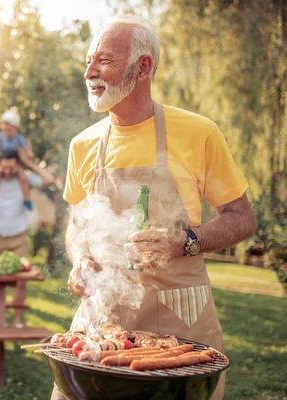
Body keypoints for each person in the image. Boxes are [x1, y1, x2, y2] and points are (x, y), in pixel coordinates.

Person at [54, 16, 257, 400]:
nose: (90, 72)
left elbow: (242, 218)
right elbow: (76, 223)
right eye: (88, 61)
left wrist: (185, 242)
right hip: (101, 323)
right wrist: (80, 259)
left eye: (104, 61)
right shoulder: (82, 145)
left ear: (142, 67)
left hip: (181, 322)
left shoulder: (199, 133)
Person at [0, 147, 55, 327]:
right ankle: (0, 319)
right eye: (4, 168)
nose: (7, 172)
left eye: (11, 168)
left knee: (21, 280)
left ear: (18, 166)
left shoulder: (25, 178)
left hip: (17, 234)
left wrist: (28, 163)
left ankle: (18, 322)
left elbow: (48, 179)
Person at [0, 109, 34, 211]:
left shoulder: (19, 139)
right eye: (5, 128)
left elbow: (29, 154)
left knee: (23, 177)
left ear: (16, 128)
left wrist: (28, 152)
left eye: (10, 128)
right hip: (2, 161)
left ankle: (27, 200)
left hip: (15, 162)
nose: (7, 130)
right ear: (1, 126)